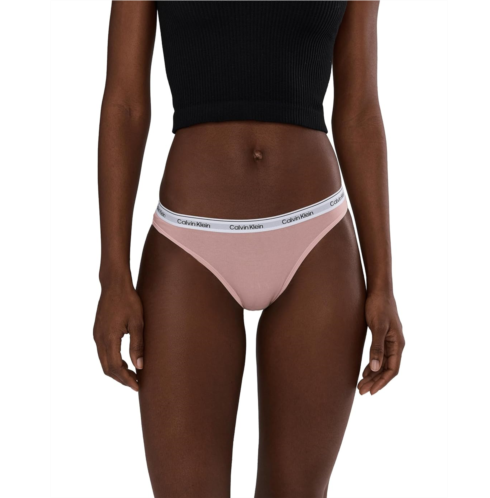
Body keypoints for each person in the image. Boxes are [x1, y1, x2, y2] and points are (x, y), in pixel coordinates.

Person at [93, 1, 405, 496]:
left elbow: (361, 113)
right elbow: (125, 105)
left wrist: (383, 283)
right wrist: (113, 275)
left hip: (316, 237)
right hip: (188, 242)